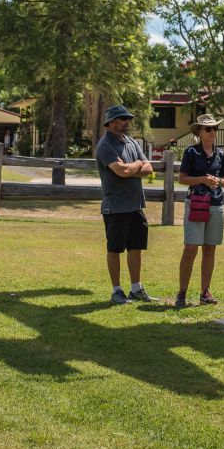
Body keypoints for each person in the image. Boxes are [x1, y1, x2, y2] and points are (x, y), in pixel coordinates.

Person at [95, 104, 156, 304]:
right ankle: (116, 291)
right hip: (115, 207)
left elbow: (148, 167)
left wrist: (135, 166)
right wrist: (135, 165)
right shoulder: (105, 146)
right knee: (114, 249)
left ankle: (136, 289)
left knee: (136, 247)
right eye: (123, 119)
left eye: (128, 118)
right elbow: (121, 172)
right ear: (111, 122)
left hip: (136, 206)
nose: (127, 121)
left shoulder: (131, 142)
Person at [174, 114, 224, 307]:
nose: (213, 132)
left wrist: (217, 181)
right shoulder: (191, 152)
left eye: (215, 128)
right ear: (199, 131)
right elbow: (182, 179)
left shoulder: (221, 154)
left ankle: (205, 292)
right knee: (191, 248)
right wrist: (202, 179)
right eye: (208, 129)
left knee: (210, 249)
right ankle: (182, 293)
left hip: (216, 204)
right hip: (196, 203)